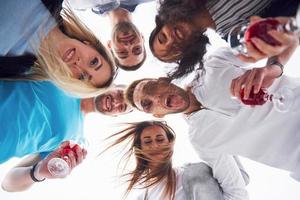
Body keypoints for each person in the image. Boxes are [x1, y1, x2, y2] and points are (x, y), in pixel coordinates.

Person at [125, 47, 300, 182]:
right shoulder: (202, 141)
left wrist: (273, 69)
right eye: (148, 104)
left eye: (152, 88)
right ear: (157, 115)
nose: (156, 97)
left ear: (163, 80)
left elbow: (281, 39)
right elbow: (237, 181)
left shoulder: (213, 64)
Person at [0, 80, 131, 192]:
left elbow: (7, 183)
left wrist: (38, 172)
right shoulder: (66, 78)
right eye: (120, 93)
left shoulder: (74, 142)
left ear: (115, 115)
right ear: (112, 84)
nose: (117, 103)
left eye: (122, 107)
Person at [149, 0, 300, 80]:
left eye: (163, 38)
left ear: (164, 22)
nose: (172, 41)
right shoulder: (231, 33)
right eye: (175, 50)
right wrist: (268, 54)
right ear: (190, 51)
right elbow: (247, 42)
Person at [105, 121, 249, 200]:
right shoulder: (144, 197)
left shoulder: (195, 171)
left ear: (170, 143)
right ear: (140, 149)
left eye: (160, 139)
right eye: (147, 142)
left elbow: (239, 189)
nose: (155, 145)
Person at [0, 0, 116, 97]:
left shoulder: (11, 66)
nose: (79, 64)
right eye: (93, 62)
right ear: (90, 44)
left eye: (82, 77)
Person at [68, 0, 154, 71]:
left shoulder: (78, 3)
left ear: (109, 45)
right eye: (137, 49)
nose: (129, 45)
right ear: (142, 38)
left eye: (122, 52)